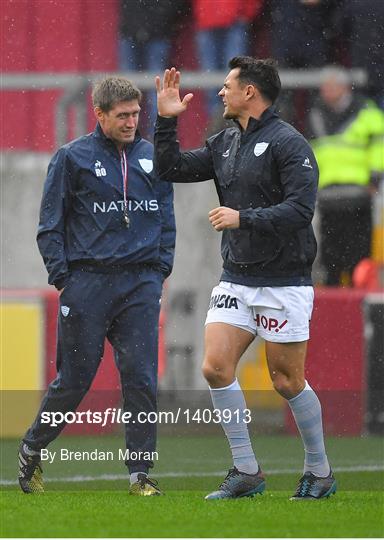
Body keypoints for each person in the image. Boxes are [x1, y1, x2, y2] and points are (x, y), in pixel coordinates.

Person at [154, 57, 336, 500]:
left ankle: (320, 471)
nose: (221, 92)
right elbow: (170, 168)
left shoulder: (289, 145)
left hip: (284, 280)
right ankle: (246, 470)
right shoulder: (225, 142)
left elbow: (300, 211)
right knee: (215, 367)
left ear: (250, 92)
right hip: (236, 277)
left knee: (286, 381)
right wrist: (164, 121)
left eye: (229, 85)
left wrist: (243, 218)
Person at [18, 77, 176, 496]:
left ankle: (139, 474)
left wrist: (160, 269)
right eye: (121, 115)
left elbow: (165, 216)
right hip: (86, 284)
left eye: (135, 113)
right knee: (74, 381)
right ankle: (33, 446)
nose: (130, 122)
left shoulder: (152, 157)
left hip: (141, 283)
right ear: (100, 115)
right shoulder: (71, 158)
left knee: (141, 378)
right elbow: (49, 226)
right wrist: (64, 280)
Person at [308, 66, 384, 285]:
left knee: (358, 260)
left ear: (344, 87)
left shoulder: (368, 113)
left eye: (331, 86)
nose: (327, 91)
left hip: (358, 194)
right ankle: (335, 307)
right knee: (331, 259)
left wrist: (374, 178)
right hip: (328, 197)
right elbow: (311, 152)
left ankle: (356, 305)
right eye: (324, 87)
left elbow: (378, 149)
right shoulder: (316, 114)